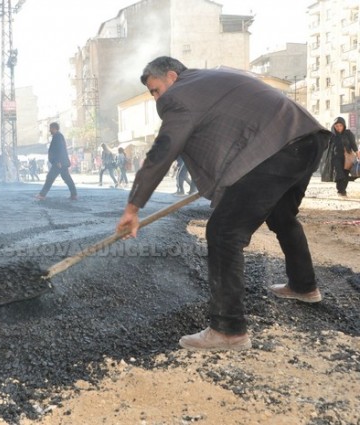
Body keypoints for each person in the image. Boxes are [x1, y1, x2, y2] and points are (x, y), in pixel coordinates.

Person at [116, 56, 330, 351]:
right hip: (308, 138)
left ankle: (228, 330)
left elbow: (162, 152)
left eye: (155, 90)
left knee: (223, 233)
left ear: (171, 76)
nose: (156, 98)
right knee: (282, 216)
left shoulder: (177, 96)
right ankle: (304, 286)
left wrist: (133, 207)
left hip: (276, 147)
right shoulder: (217, 77)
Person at [35, 122, 77, 200]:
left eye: (50, 128)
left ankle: (42, 195)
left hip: (59, 163)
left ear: (54, 128)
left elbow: (59, 150)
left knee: (50, 178)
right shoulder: (58, 136)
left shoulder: (57, 137)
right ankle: (74, 195)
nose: (49, 130)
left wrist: (58, 161)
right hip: (61, 162)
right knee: (67, 178)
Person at [320, 116, 358, 197]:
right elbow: (326, 146)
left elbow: (353, 144)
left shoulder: (348, 133)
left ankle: (343, 190)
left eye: (340, 125)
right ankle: (340, 191)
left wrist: (357, 152)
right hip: (335, 158)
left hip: (347, 158)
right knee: (338, 174)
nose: (339, 128)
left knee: (345, 175)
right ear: (334, 126)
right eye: (337, 126)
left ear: (344, 125)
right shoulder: (332, 135)